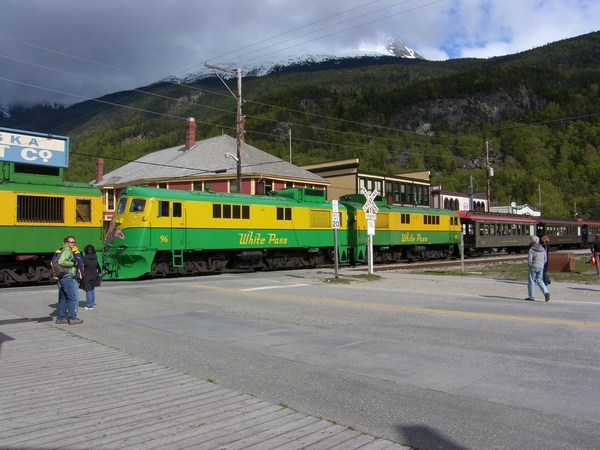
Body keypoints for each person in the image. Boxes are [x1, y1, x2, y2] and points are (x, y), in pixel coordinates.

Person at [51, 236, 83, 324]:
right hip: (67, 277)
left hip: (63, 277)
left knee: (63, 298)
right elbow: (61, 262)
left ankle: (60, 318)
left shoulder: (63, 250)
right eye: (71, 242)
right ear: (66, 242)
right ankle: (73, 318)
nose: (73, 244)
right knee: (72, 297)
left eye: (74, 242)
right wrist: (72, 263)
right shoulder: (67, 250)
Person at [526, 235, 550, 302]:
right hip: (541, 267)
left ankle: (531, 296)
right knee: (539, 280)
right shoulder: (542, 249)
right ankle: (546, 292)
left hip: (533, 266)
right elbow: (545, 259)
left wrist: (530, 265)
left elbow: (529, 259)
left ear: (532, 242)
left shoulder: (532, 249)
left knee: (531, 281)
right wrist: (542, 264)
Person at [81, 244, 102, 310]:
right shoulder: (95, 257)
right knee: (92, 289)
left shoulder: (85, 258)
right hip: (94, 274)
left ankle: (89, 305)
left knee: (88, 290)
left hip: (87, 274)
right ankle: (92, 303)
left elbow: (82, 266)